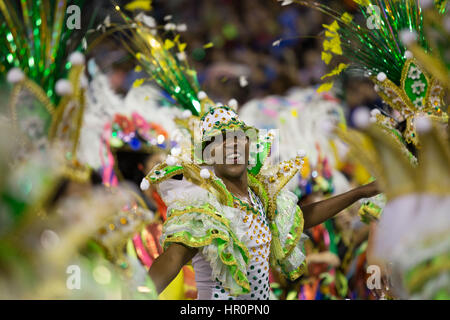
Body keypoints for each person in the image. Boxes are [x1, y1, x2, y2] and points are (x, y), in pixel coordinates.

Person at [144, 105, 380, 300]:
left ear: (249, 146)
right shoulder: (206, 208)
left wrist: (359, 193)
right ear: (208, 156)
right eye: (220, 141)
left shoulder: (259, 198)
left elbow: (301, 218)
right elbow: (173, 258)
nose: (232, 145)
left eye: (238, 138)